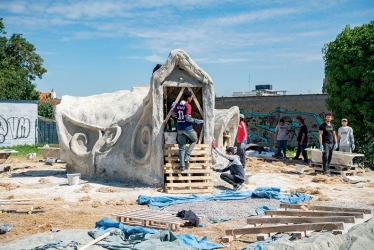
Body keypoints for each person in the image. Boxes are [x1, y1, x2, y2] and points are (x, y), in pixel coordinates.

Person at [173, 91, 203, 171]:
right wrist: (197, 121)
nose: (192, 99)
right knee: (194, 139)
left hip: (179, 128)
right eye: (191, 97)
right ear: (188, 97)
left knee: (181, 147)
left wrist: (174, 108)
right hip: (187, 128)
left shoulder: (178, 105)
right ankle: (188, 155)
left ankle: (182, 167)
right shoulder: (188, 106)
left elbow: (174, 114)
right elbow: (187, 118)